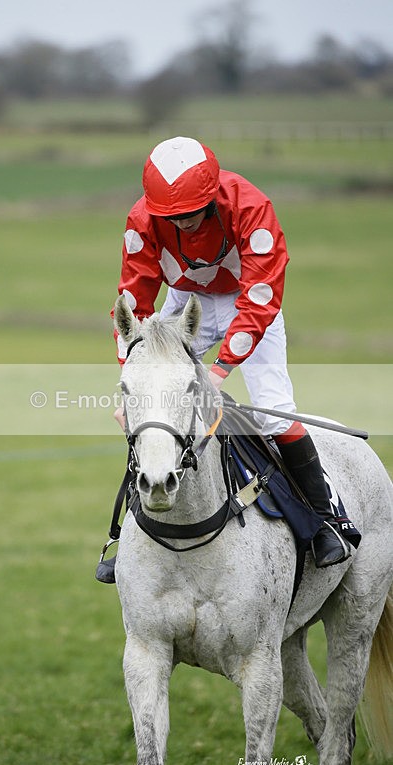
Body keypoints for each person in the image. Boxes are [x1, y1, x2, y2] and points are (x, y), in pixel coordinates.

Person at [108, 135, 352, 572]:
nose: (180, 222)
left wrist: (218, 373)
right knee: (151, 405)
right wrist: (131, 377)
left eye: (188, 213)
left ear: (211, 196)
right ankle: (124, 533)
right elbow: (133, 304)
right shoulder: (142, 219)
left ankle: (328, 520)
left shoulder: (251, 207)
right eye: (170, 216)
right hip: (187, 304)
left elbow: (260, 297)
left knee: (273, 413)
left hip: (249, 302)